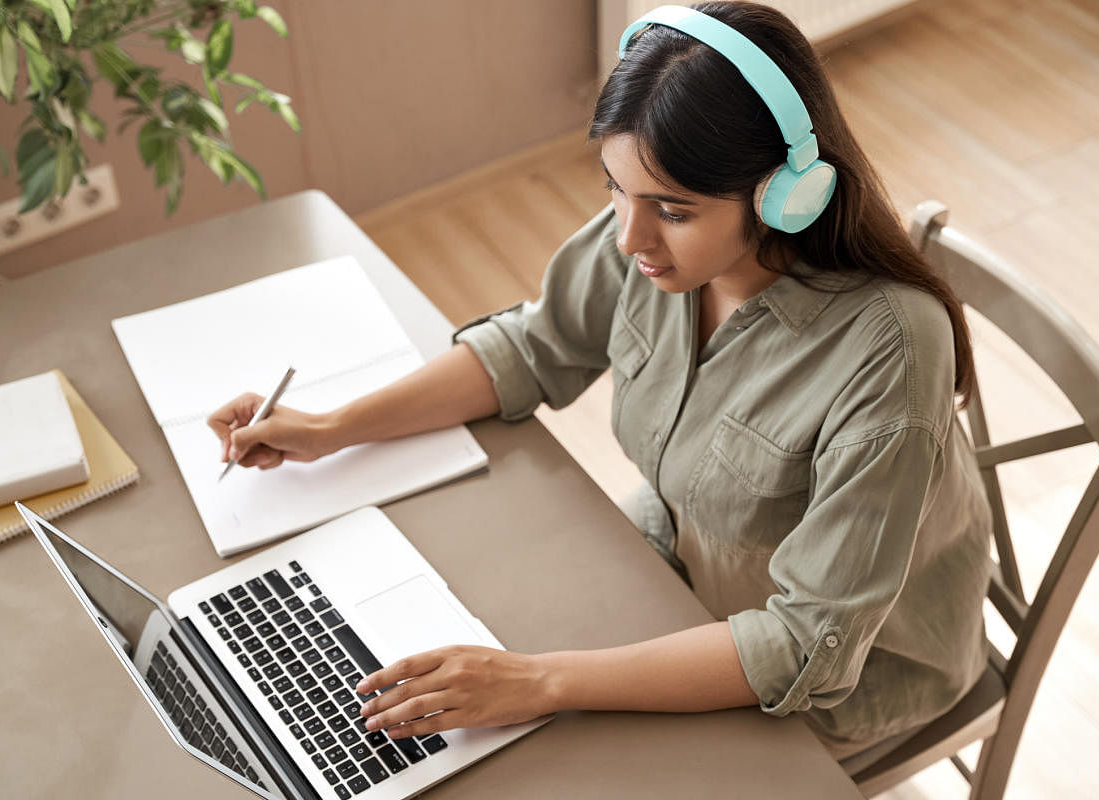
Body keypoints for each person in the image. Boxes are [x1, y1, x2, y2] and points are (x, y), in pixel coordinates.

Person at [208, 1, 992, 770]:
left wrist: (541, 681)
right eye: (615, 188)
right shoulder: (656, 244)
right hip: (688, 564)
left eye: (672, 211)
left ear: (786, 196)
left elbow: (803, 648)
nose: (628, 236)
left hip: (842, 680)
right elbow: (534, 346)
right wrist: (332, 427)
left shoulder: (887, 351)